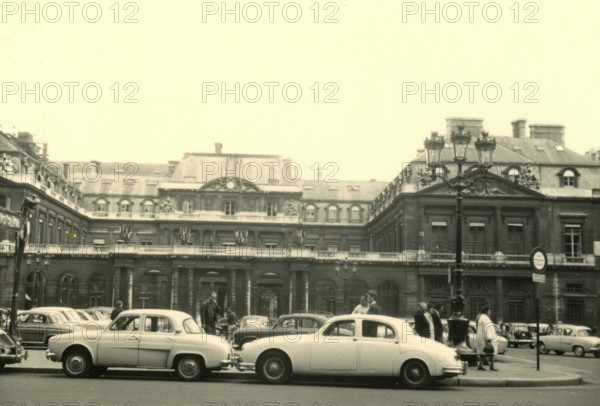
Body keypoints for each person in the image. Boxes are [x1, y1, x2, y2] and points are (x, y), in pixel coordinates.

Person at [476, 305, 498, 371]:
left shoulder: (482, 317)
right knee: (491, 353)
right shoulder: (485, 319)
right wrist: (489, 338)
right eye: (489, 311)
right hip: (486, 338)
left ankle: (480, 365)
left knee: (482, 353)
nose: (490, 313)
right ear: (486, 311)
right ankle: (492, 366)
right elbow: (487, 328)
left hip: (481, 337)